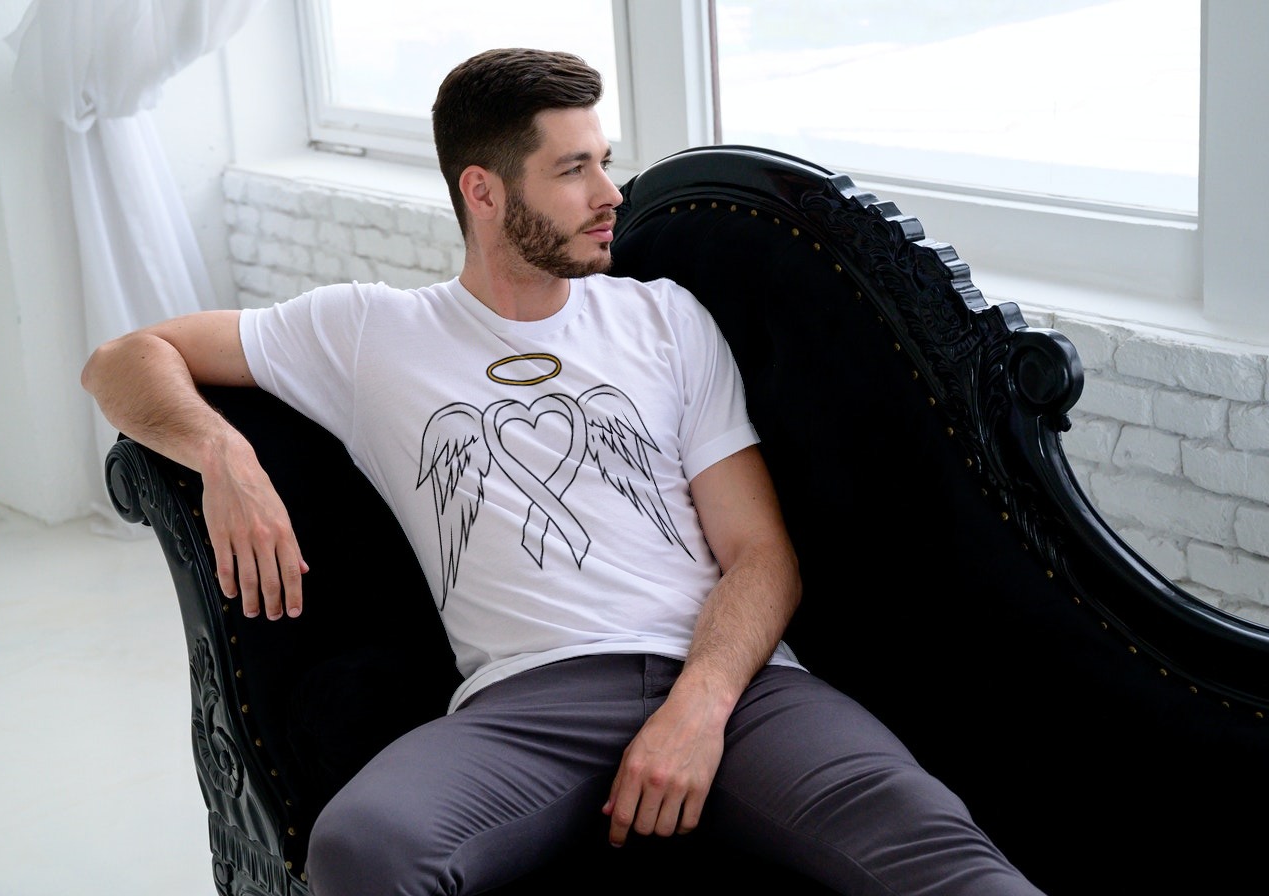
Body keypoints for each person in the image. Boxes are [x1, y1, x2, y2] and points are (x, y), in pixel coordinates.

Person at [82, 47, 1046, 896]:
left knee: (940, 849)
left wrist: (698, 709)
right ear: (484, 191)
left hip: (738, 688)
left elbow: (761, 555)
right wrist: (223, 455)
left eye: (604, 161)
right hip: (529, 705)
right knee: (364, 847)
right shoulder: (371, 332)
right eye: (574, 169)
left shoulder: (664, 318)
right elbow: (122, 360)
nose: (609, 193)